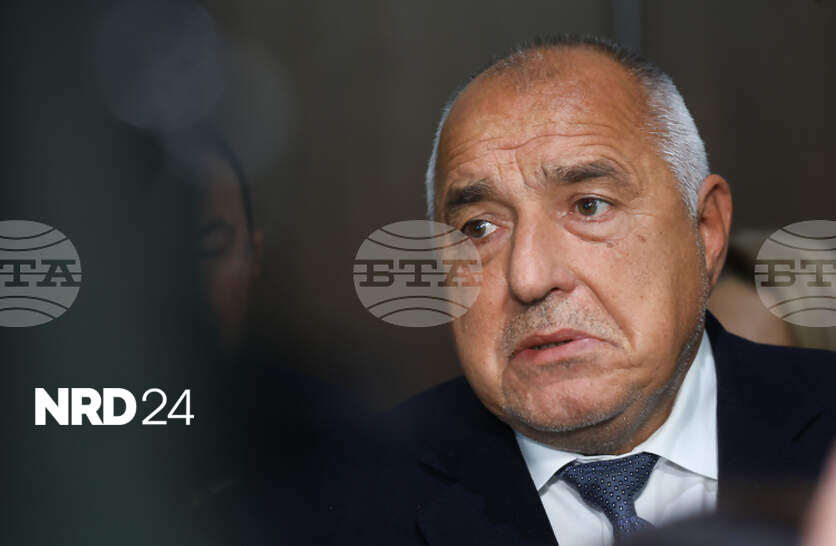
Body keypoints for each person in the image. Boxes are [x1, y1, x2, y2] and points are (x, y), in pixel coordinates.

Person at [334, 35, 836, 545]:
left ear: (704, 230)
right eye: (479, 228)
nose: (529, 278)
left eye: (589, 206)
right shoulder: (342, 503)